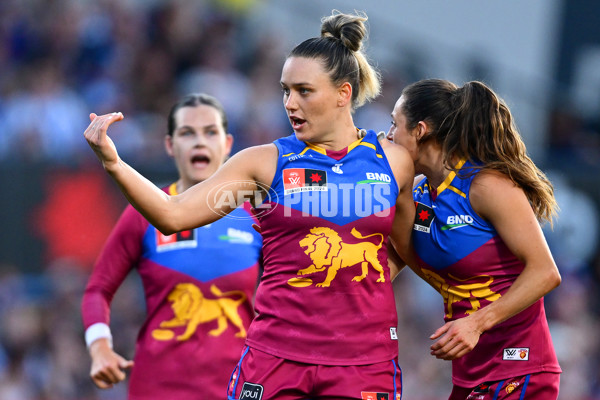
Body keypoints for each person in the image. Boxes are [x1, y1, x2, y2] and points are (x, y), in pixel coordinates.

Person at [83, 10, 416, 400]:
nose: (290, 103)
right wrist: (114, 163)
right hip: (276, 359)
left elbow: (410, 247)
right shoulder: (263, 162)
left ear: (344, 94)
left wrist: (364, 281)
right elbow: (172, 215)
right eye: (285, 90)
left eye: (304, 91)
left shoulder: (393, 160)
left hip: (364, 362)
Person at [387, 78, 562, 399]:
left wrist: (477, 323)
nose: (388, 136)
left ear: (420, 130)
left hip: (519, 369)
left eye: (394, 124)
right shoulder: (419, 194)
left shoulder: (486, 186)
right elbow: (388, 264)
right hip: (470, 374)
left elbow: (545, 272)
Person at [81, 93, 263, 399]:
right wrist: (100, 348)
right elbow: (98, 289)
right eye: (187, 133)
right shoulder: (142, 214)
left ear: (228, 144)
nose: (199, 142)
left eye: (210, 132)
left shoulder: (257, 216)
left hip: (239, 386)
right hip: (157, 388)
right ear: (170, 145)